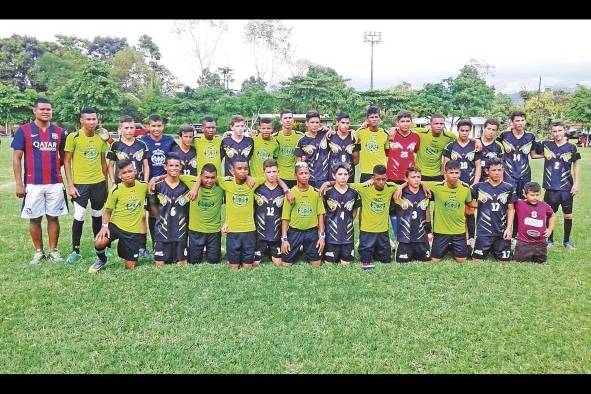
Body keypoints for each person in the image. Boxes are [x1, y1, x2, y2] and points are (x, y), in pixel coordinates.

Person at [190, 158, 291, 270]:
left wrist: (286, 190)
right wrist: (195, 189)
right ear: (232, 171)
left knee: (248, 267)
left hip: (249, 230)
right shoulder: (225, 182)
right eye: (239, 169)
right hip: (233, 230)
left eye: (245, 169)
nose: (243, 171)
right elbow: (203, 175)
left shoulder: (253, 183)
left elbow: (274, 177)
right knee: (234, 267)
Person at [11, 98, 68, 264]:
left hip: (54, 182)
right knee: (34, 218)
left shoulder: (59, 131)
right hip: (33, 183)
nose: (46, 112)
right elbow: (17, 158)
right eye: (42, 109)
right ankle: (38, 251)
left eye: (48, 109)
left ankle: (53, 251)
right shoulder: (24, 130)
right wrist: (19, 183)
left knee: (53, 217)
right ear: (34, 111)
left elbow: (64, 157)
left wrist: (56, 168)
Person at [64, 107, 109, 264]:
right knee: (79, 215)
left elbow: (104, 162)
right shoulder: (73, 137)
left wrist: (106, 184)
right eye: (88, 119)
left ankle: (100, 248)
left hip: (98, 183)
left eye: (94, 119)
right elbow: (67, 161)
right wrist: (70, 185)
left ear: (97, 120)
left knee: (97, 215)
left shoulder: (100, 138)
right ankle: (75, 250)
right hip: (80, 184)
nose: (91, 122)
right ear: (81, 120)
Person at [88, 159, 148, 273]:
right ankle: (101, 259)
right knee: (99, 242)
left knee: (131, 267)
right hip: (116, 226)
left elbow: (158, 185)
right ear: (120, 176)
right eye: (124, 173)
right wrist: (104, 226)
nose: (128, 174)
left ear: (135, 171)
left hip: (132, 232)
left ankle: (129, 254)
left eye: (130, 171)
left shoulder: (143, 186)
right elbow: (108, 211)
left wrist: (156, 179)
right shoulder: (115, 190)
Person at [538, 120, 581, 249]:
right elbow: (533, 154)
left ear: (564, 131)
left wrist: (576, 183)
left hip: (567, 188)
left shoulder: (572, 147)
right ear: (551, 132)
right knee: (549, 214)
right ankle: (549, 240)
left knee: (568, 215)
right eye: (554, 131)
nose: (557, 134)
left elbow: (576, 165)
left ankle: (566, 241)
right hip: (551, 187)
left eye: (560, 130)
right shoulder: (546, 145)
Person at [421, 160, 473, 264]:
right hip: (441, 231)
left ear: (460, 173)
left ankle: (452, 247)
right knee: (435, 260)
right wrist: (401, 187)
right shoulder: (437, 187)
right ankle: (445, 246)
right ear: (445, 174)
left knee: (461, 260)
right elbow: (417, 181)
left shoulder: (465, 188)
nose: (454, 175)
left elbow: (469, 205)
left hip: (458, 231)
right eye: (451, 173)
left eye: (456, 173)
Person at [347, 165, 398, 269]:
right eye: (378, 179)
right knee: (365, 260)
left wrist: (401, 187)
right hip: (367, 232)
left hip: (383, 232)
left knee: (386, 260)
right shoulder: (364, 188)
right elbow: (344, 184)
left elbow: (405, 184)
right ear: (373, 178)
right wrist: (327, 183)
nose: (381, 182)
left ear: (386, 178)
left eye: (383, 179)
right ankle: (364, 248)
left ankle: (382, 248)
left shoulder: (391, 187)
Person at [140, 114, 176, 254]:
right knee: (154, 215)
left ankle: (170, 242)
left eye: (159, 126)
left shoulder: (169, 140)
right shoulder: (143, 141)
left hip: (166, 183)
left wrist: (163, 176)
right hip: (150, 184)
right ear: (148, 127)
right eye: (153, 126)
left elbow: (176, 158)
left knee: (169, 214)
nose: (156, 129)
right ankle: (156, 244)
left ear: (163, 126)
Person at [442, 119, 482, 246]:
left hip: (469, 183)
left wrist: (475, 183)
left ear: (470, 131)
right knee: (454, 209)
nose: (464, 133)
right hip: (454, 184)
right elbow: (445, 166)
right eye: (462, 130)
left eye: (467, 131)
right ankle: (452, 237)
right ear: (457, 130)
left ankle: (471, 238)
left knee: (470, 211)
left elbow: (478, 166)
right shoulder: (450, 146)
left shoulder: (475, 146)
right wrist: (447, 182)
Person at [469, 158, 516, 263]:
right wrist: (477, 205)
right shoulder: (478, 187)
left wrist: (508, 229)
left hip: (501, 233)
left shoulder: (509, 187)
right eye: (494, 170)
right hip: (483, 233)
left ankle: (497, 248)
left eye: (499, 170)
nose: (497, 173)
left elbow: (511, 209)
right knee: (476, 261)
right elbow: (467, 202)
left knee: (504, 262)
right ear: (487, 171)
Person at [281, 162, 326, 267]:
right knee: (286, 264)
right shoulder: (290, 194)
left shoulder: (316, 193)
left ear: (310, 174)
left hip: (311, 232)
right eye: (301, 173)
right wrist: (284, 239)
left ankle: (306, 248)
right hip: (294, 232)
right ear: (295, 175)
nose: (304, 176)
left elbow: (320, 215)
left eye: (306, 173)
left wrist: (322, 237)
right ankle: (299, 248)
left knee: (316, 264)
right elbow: (285, 218)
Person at [150, 153, 190, 267]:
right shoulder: (157, 186)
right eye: (171, 165)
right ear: (165, 167)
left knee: (182, 264)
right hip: (162, 232)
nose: (174, 168)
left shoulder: (186, 186)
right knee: (159, 265)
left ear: (181, 167)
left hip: (180, 233)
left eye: (177, 166)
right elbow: (153, 208)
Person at [386, 111, 421, 243]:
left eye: (408, 121)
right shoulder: (391, 135)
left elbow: (416, 150)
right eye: (402, 121)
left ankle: (409, 236)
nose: (405, 124)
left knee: (409, 208)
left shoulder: (416, 137)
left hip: (409, 179)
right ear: (397, 123)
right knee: (393, 209)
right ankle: (397, 238)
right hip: (392, 177)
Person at [183, 164, 224, 265]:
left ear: (216, 177)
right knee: (193, 261)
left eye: (212, 177)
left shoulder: (221, 186)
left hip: (213, 231)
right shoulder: (191, 182)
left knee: (214, 261)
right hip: (196, 230)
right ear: (201, 176)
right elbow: (173, 175)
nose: (209, 181)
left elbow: (238, 178)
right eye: (206, 177)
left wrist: (249, 177)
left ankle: (213, 251)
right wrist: (155, 178)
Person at [321, 164, 359, 266]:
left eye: (345, 174)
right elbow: (322, 212)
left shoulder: (354, 193)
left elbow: (354, 212)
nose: (343, 177)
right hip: (331, 236)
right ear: (334, 176)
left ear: (349, 175)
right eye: (340, 174)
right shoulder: (327, 193)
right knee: (329, 264)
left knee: (346, 264)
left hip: (347, 237)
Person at [393, 167, 431, 263]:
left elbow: (427, 211)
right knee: (402, 262)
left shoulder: (425, 192)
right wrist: (401, 186)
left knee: (426, 260)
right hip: (405, 238)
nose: (416, 180)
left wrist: (429, 231)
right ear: (406, 179)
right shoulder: (399, 192)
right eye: (413, 177)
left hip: (421, 237)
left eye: (418, 177)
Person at [514, 182, 556, 263]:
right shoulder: (519, 203)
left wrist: (550, 229)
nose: (535, 198)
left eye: (537, 195)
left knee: (541, 261)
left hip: (540, 242)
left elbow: (553, 215)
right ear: (525, 194)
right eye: (532, 195)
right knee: (518, 260)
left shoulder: (544, 205)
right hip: (524, 241)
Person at [254, 159, 285, 267]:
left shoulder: (283, 190)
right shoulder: (257, 189)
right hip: (260, 235)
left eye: (274, 171)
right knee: (254, 263)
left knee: (279, 263)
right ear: (263, 172)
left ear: (278, 172)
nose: (272, 175)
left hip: (276, 235)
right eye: (268, 172)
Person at [107, 115, 149, 186]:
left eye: (131, 128)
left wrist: (145, 182)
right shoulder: (115, 145)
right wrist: (113, 182)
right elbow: (110, 166)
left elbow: (146, 166)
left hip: (138, 184)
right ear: (120, 129)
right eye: (126, 128)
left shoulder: (142, 144)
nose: (129, 130)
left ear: (135, 128)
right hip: (120, 184)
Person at [415, 113, 458, 182]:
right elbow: (404, 129)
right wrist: (394, 129)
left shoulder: (449, 136)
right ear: (430, 124)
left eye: (441, 124)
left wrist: (476, 140)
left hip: (437, 174)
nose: (439, 126)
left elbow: (462, 140)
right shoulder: (420, 133)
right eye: (436, 123)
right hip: (420, 173)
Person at [294, 110, 331, 188]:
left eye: (317, 122)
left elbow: (339, 135)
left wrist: (329, 130)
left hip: (324, 179)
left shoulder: (325, 136)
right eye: (312, 122)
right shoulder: (301, 141)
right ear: (307, 123)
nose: (315, 125)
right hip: (309, 180)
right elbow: (298, 164)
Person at [356, 106, 389, 182]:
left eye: (376, 117)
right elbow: (353, 137)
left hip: (381, 171)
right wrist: (361, 127)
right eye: (371, 117)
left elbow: (387, 153)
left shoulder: (385, 133)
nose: (374, 119)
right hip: (366, 171)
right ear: (367, 119)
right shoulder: (361, 133)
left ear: (379, 119)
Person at [273, 110, 303, 189]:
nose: (288, 120)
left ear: (293, 120)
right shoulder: (274, 137)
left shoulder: (300, 136)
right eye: (285, 118)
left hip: (295, 176)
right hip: (280, 177)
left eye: (290, 118)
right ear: (281, 121)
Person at [328, 112, 359, 183]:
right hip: (333, 177)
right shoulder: (330, 137)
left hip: (349, 177)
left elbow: (356, 161)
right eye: (343, 123)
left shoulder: (354, 138)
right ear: (337, 123)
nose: (345, 125)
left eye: (347, 123)